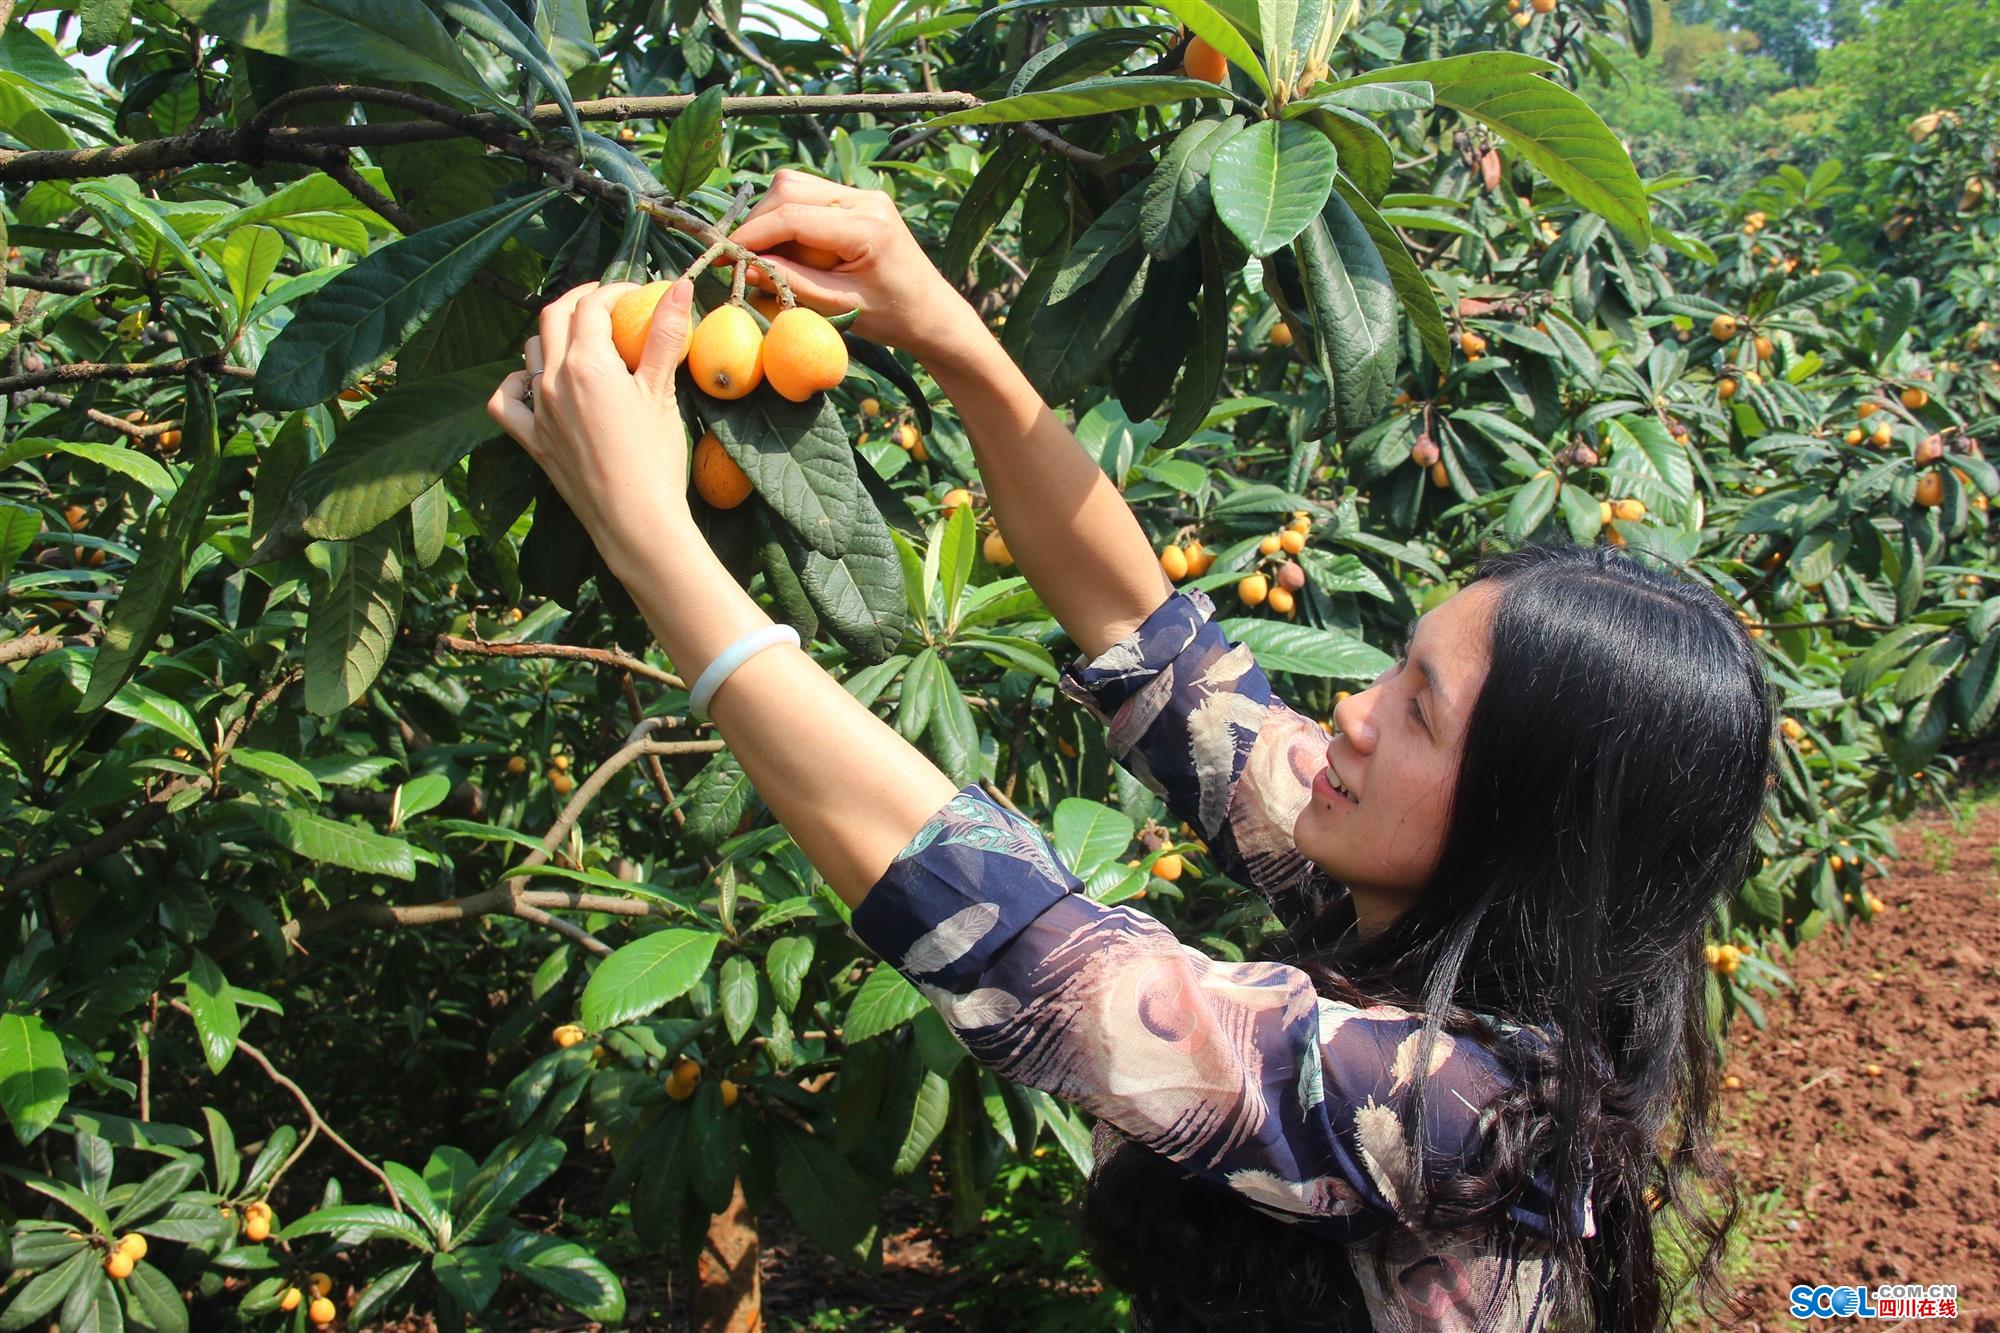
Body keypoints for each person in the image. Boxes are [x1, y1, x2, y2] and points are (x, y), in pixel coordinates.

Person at [486, 170, 1770, 1332]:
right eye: (1397, 667)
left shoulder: (1460, 1107)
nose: (1355, 711)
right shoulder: (1405, 892)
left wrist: (650, 535)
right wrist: (939, 322)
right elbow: (1149, 638)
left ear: (1523, 825)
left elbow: (1014, 936)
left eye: (1421, 712)